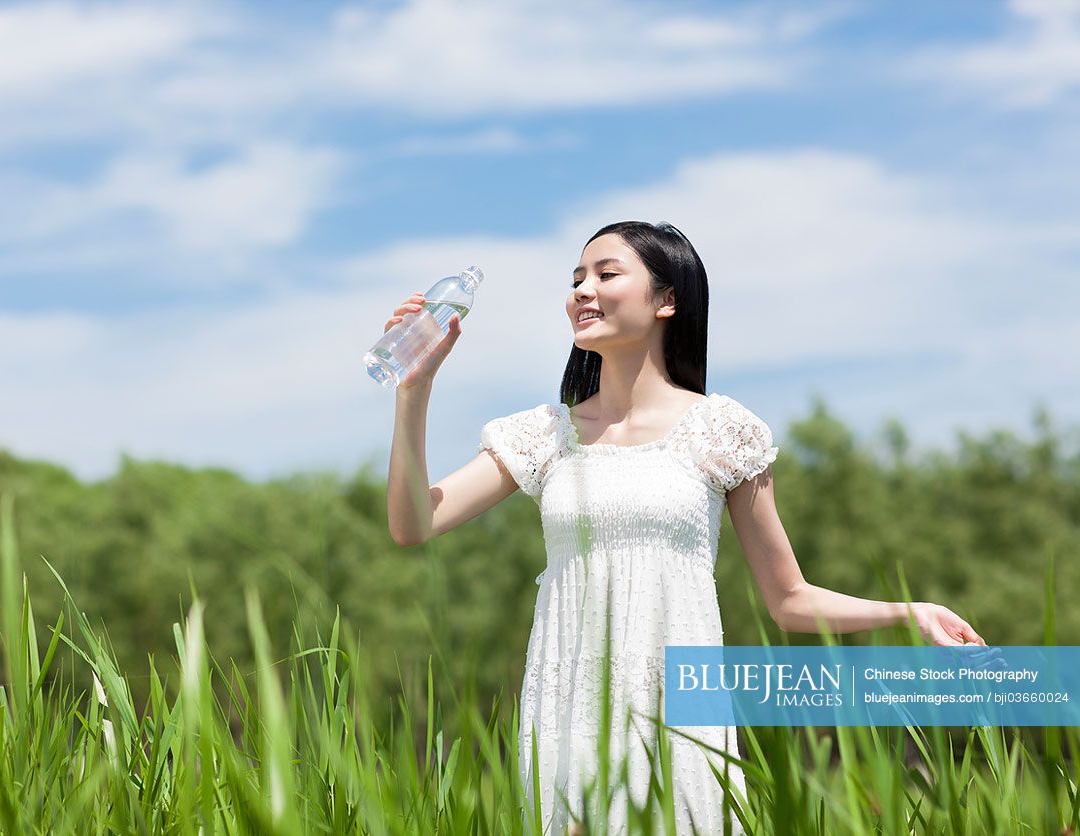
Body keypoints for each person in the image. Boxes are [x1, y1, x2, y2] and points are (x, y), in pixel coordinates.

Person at [384, 220, 986, 835]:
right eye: (576, 279)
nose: (582, 291)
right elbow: (415, 524)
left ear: (667, 299)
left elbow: (789, 600)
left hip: (677, 712)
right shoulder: (543, 435)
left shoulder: (721, 432)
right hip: (568, 713)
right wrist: (414, 393)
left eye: (606, 274)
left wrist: (907, 612)